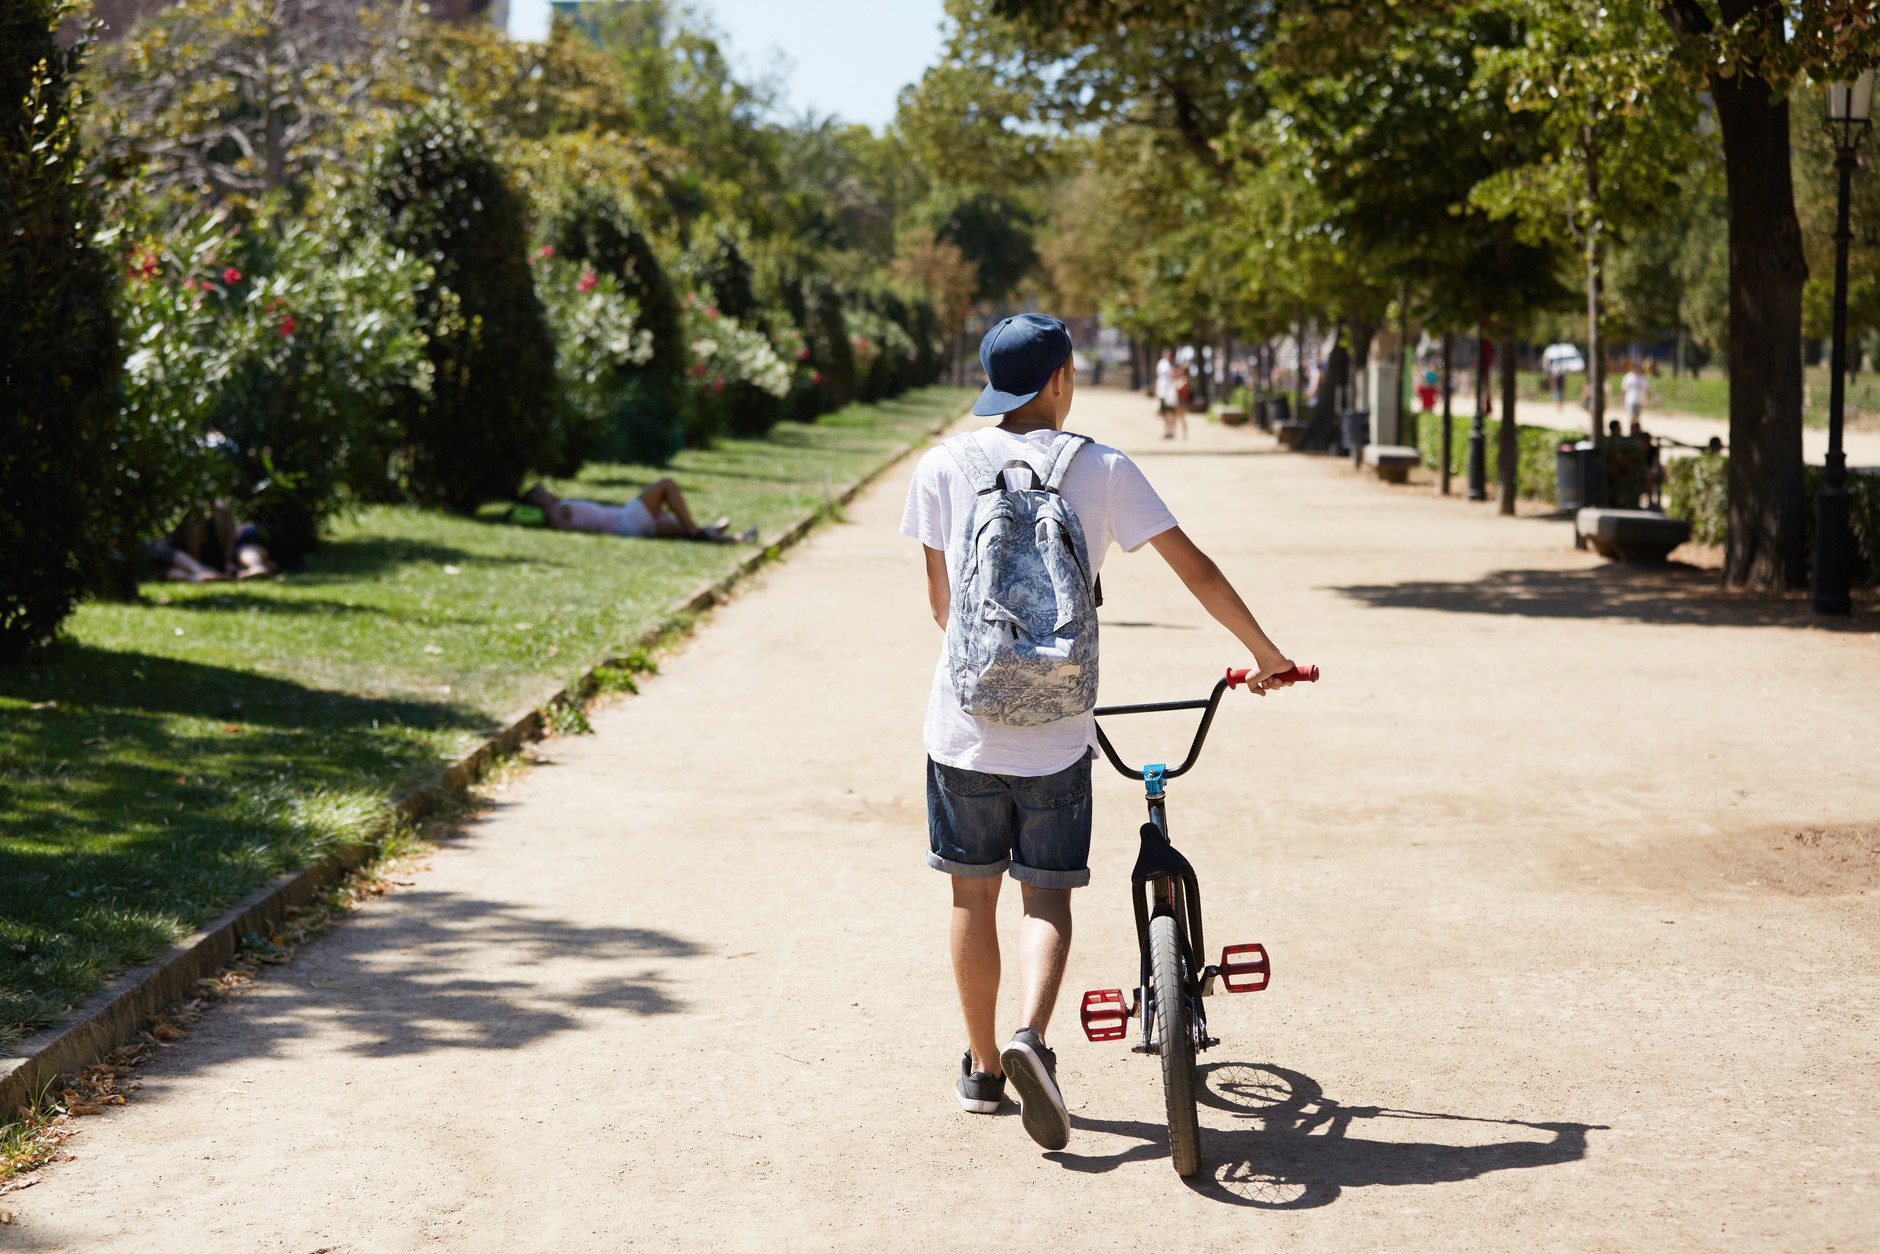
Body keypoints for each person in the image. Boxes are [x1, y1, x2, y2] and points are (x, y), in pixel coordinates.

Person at [900, 312, 1298, 1152]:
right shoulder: (1101, 467)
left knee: (972, 892)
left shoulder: (941, 467)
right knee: (1046, 893)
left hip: (963, 728)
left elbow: (944, 611)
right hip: (1057, 729)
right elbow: (1195, 566)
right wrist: (1265, 654)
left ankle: (981, 1069)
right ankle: (1031, 1038)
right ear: (1059, 381)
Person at [522, 481, 755, 544]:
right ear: (537, 502)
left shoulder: (560, 507)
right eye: (542, 492)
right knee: (666, 485)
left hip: (624, 520)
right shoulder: (555, 512)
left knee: (681, 532)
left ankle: (736, 538)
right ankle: (698, 530)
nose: (548, 492)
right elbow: (563, 527)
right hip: (624, 521)